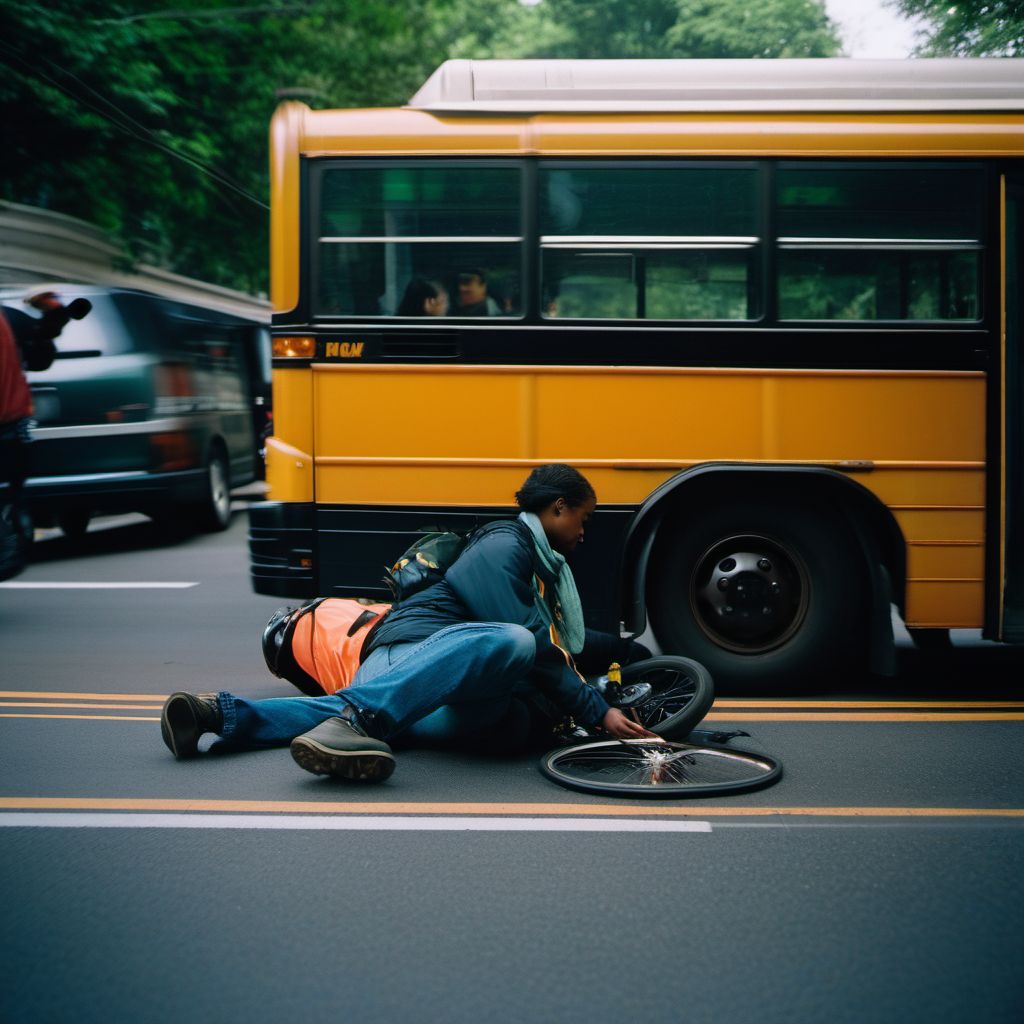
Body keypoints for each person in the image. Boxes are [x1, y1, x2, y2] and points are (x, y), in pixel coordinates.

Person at [160, 463, 655, 781]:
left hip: (435, 691)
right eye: (583, 519)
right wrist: (596, 710)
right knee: (514, 642)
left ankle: (215, 715)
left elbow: (566, 646)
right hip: (404, 654)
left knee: (511, 722)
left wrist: (628, 654)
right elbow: (529, 637)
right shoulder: (504, 544)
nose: (585, 532)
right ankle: (363, 719)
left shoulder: (542, 573)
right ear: (557, 507)